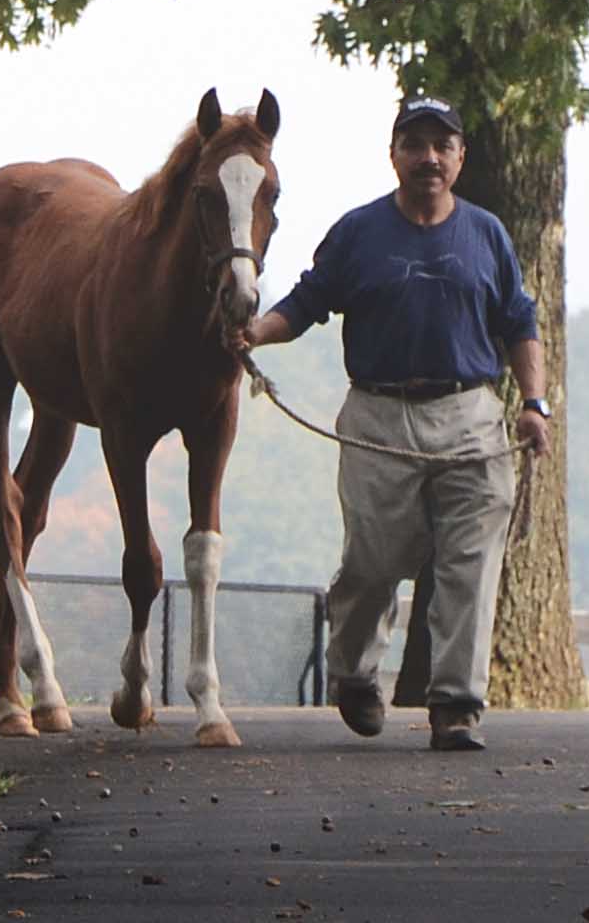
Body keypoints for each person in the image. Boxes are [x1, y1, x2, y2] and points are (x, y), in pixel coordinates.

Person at [235, 94, 555, 751]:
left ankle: (457, 704)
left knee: (470, 565)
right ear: (394, 155)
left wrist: (533, 403)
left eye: (442, 146)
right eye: (415, 145)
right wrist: (256, 334)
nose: (428, 158)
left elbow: (520, 323)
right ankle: (354, 672)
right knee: (373, 564)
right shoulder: (359, 232)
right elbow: (307, 302)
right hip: (379, 416)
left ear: (460, 158)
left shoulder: (487, 234)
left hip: (470, 415)